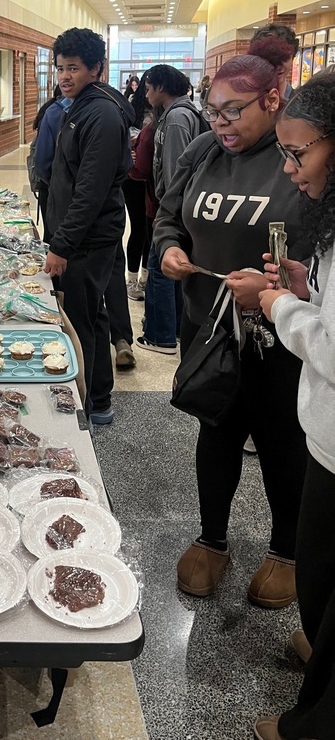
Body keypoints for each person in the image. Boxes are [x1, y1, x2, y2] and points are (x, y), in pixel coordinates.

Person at [154, 54, 307, 607]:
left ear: (273, 100)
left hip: (282, 334)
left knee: (281, 441)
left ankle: (287, 550)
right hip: (210, 327)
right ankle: (211, 537)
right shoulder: (203, 152)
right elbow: (167, 215)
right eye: (212, 112)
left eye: (233, 112)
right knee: (215, 429)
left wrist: (284, 294)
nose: (221, 125)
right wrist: (171, 247)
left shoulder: (297, 157)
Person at [255, 70, 335, 740]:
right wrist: (307, 291)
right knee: (322, 571)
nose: (290, 170)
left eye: (299, 153)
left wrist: (281, 307)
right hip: (326, 442)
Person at [43, 27, 135, 425]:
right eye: (60, 68)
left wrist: (61, 245)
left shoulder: (100, 113)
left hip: (88, 238)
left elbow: (90, 191)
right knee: (92, 314)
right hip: (83, 235)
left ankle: (87, 405)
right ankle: (100, 397)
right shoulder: (79, 106)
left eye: (74, 68)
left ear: (96, 68)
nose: (65, 76)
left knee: (79, 320)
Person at [136, 64, 206, 355]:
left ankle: (160, 335)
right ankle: (173, 327)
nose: (146, 93)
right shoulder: (172, 114)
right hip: (170, 207)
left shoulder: (177, 117)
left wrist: (167, 211)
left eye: (149, 87)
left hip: (171, 209)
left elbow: (177, 169)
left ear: (162, 87)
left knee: (160, 269)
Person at [123, 70, 153, 301]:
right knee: (139, 228)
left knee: (152, 231)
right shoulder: (132, 107)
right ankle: (132, 279)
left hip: (153, 178)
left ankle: (146, 278)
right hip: (133, 179)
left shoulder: (167, 113)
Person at [32, 84, 72, 240]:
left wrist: (55, 183)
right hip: (90, 199)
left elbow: (42, 162)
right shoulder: (105, 109)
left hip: (53, 189)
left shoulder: (53, 112)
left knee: (52, 235)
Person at [248, 23, 298, 100]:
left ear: (293, 58)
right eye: (272, 59)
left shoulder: (302, 105)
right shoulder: (245, 101)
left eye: (285, 58)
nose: (279, 67)